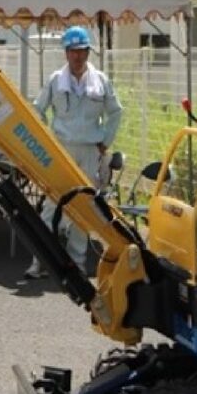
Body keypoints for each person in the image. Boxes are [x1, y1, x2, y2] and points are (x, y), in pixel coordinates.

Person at [26, 25, 123, 279]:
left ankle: (77, 262)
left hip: (90, 151)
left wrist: (105, 140)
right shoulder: (56, 79)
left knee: (84, 207)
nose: (78, 56)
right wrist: (47, 139)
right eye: (73, 51)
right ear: (66, 53)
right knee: (50, 205)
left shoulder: (100, 80)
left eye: (82, 51)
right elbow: (37, 109)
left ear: (88, 52)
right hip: (62, 150)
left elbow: (116, 111)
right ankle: (40, 260)